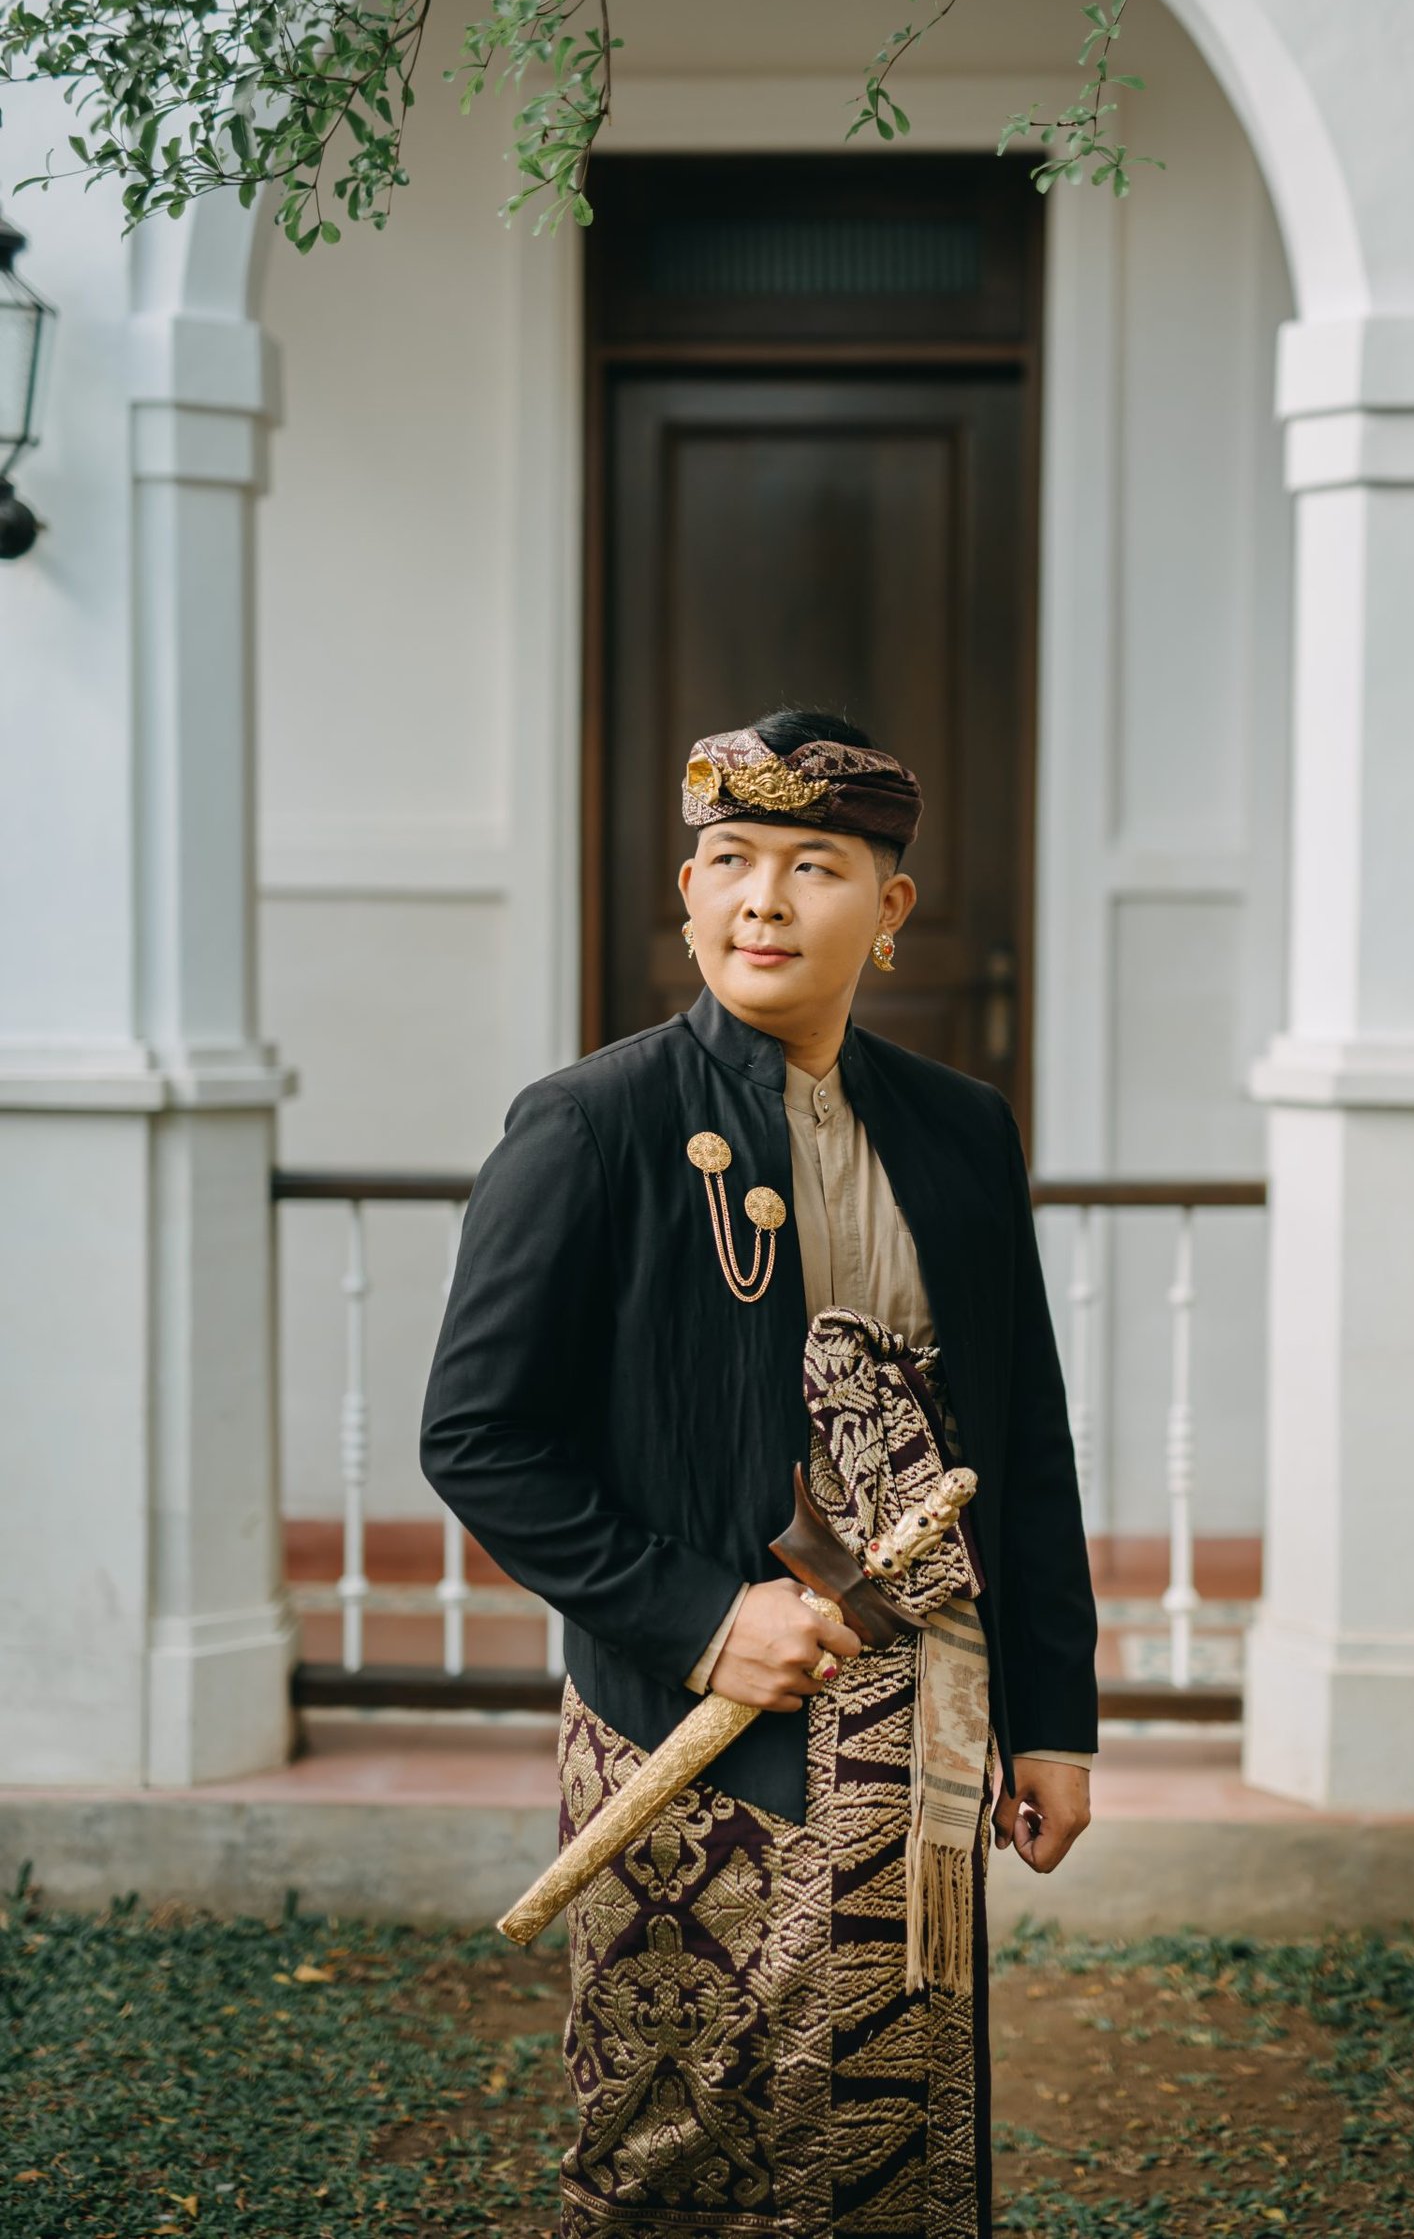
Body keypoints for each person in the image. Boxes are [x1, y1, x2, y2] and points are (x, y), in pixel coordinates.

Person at [420, 708, 1098, 2239]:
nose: (764, 900)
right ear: (688, 890)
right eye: (730, 860)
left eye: (814, 866)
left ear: (890, 905)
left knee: (896, 2132)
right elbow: (476, 1435)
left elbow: (1022, 1442)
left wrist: (1054, 1718)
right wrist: (703, 1615)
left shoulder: (962, 1132)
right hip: (690, 1730)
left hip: (923, 1727)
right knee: (687, 2140)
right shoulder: (592, 1124)